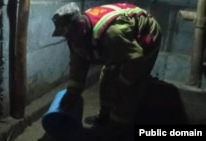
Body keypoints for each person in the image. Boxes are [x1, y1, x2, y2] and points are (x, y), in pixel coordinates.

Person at [51, 2, 162, 140]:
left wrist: (123, 82)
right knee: (107, 76)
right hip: (121, 43)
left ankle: (118, 128)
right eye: (64, 35)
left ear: (80, 27)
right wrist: (73, 91)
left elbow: (135, 61)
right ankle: (105, 116)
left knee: (128, 87)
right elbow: (78, 64)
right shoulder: (76, 35)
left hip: (144, 39)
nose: (67, 38)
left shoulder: (112, 34)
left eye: (69, 34)